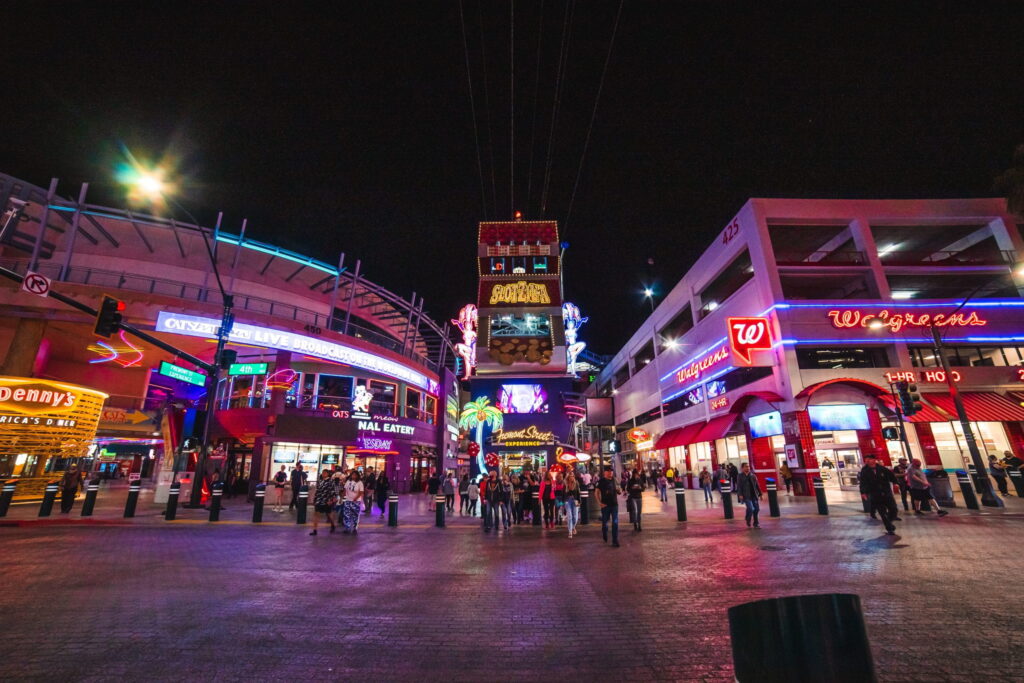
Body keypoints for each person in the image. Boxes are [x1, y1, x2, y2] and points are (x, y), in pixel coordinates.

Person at [858, 454, 900, 535]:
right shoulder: (864, 470)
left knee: (894, 509)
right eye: (866, 459)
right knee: (882, 512)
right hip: (875, 494)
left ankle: (889, 521)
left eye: (869, 459)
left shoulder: (882, 468)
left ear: (874, 460)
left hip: (886, 493)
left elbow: (892, 476)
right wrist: (863, 492)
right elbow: (862, 482)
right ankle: (889, 528)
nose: (867, 461)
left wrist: (895, 483)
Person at [596, 465, 622, 547]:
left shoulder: (615, 480)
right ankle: (604, 532)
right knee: (605, 523)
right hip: (605, 505)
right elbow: (596, 492)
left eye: (611, 471)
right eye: (609, 471)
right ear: (605, 472)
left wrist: (619, 490)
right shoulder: (601, 481)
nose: (611, 472)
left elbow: (620, 490)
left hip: (614, 505)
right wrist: (599, 502)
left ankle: (615, 540)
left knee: (615, 522)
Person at [310, 470, 339, 535]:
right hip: (319, 500)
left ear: (328, 474)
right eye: (323, 473)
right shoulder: (320, 481)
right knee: (316, 514)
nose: (323, 474)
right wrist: (315, 499)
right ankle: (315, 530)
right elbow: (317, 490)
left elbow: (333, 490)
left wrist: (331, 500)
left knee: (329, 514)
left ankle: (333, 525)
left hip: (327, 500)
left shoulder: (331, 481)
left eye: (325, 473)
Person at [736, 463, 762, 528]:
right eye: (746, 467)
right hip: (746, 495)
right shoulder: (740, 476)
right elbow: (739, 486)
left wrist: (760, 494)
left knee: (756, 509)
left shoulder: (753, 475)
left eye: (748, 467)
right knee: (750, 508)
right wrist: (740, 494)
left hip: (754, 495)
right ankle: (748, 519)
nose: (748, 468)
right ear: (742, 468)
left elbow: (757, 485)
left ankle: (756, 523)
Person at [563, 471, 581, 538]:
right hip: (568, 501)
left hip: (575, 500)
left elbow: (578, 493)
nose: (572, 477)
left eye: (573, 476)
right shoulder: (565, 484)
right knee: (570, 516)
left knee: (575, 517)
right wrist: (563, 501)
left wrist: (579, 501)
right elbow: (563, 493)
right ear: (568, 477)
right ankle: (570, 532)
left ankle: (573, 527)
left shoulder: (576, 483)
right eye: (570, 476)